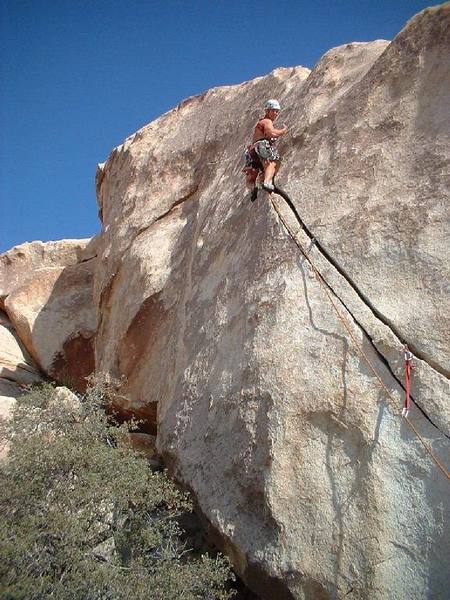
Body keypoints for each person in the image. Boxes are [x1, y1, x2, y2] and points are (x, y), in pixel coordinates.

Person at [244, 99, 288, 192]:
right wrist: (282, 131)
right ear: (268, 111)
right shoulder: (267, 121)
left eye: (277, 111)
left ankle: (253, 189)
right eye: (275, 111)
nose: (276, 113)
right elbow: (272, 133)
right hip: (261, 146)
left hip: (252, 149)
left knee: (253, 172)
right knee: (272, 163)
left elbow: (266, 134)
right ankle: (267, 182)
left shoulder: (261, 123)